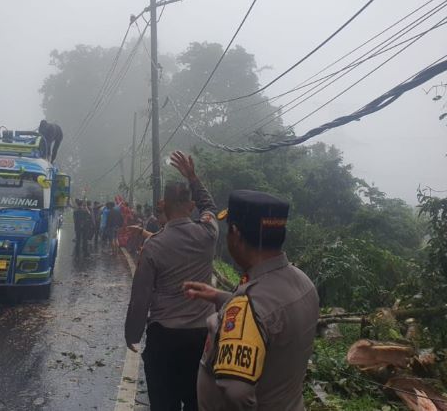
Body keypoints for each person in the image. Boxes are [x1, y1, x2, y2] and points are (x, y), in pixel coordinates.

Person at [183, 191, 319, 411]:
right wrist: (220, 297)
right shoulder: (303, 283)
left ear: (235, 234)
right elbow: (271, 320)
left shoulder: (250, 305)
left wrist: (235, 306)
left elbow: (237, 393)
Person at [124, 151, 218, 411]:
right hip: (201, 338)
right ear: (190, 206)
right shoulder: (208, 234)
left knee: (164, 404)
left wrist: (133, 333)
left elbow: (141, 297)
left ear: (163, 205)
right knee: (196, 402)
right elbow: (210, 208)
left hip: (163, 339)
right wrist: (192, 177)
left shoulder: (153, 246)